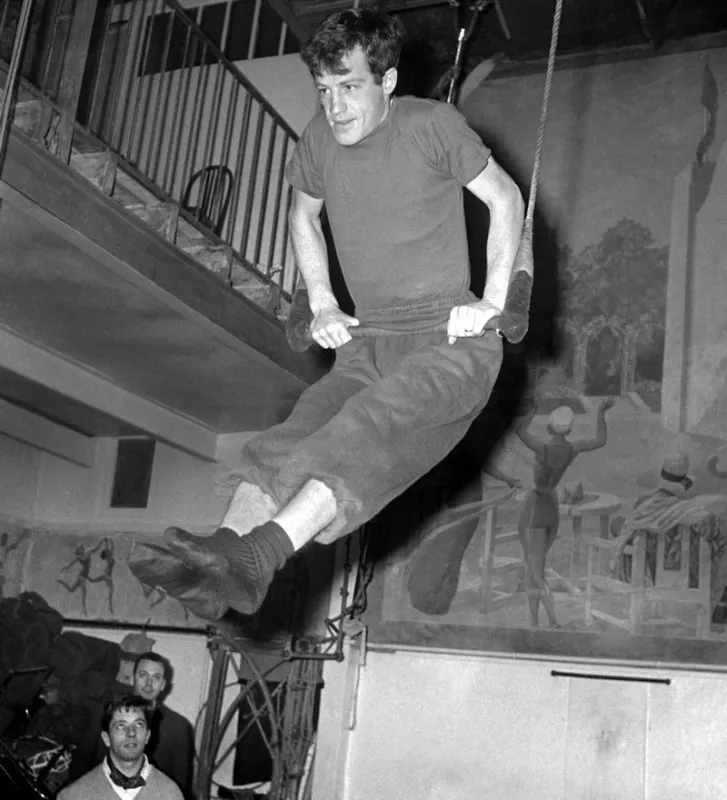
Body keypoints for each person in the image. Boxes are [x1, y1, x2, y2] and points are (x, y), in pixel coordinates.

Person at [127, 8, 525, 622]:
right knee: (290, 436)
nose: (334, 106)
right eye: (324, 90)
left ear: (387, 82)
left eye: (349, 88)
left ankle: (259, 559)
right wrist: (323, 301)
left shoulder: (431, 124)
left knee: (362, 430)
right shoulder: (317, 139)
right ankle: (222, 561)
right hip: (367, 345)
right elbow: (301, 216)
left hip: (450, 341)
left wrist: (492, 301)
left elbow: (505, 197)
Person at [515, 398, 614, 627]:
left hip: (536, 507)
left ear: (549, 427)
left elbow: (518, 430)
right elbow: (601, 440)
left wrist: (533, 407)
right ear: (568, 428)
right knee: (534, 569)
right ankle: (533, 621)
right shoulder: (572, 448)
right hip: (552, 506)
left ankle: (552, 619)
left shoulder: (542, 447)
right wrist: (600, 413)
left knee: (536, 572)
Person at [57, 693, 183, 800]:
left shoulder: (170, 794)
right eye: (121, 726)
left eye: (138, 724)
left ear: (148, 736)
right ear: (106, 738)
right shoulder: (73, 796)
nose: (131, 732)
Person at [128, 652, 195, 799]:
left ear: (163, 685)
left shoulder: (178, 727)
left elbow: (180, 787)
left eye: (156, 678)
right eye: (143, 675)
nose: (148, 683)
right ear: (132, 679)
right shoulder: (104, 715)